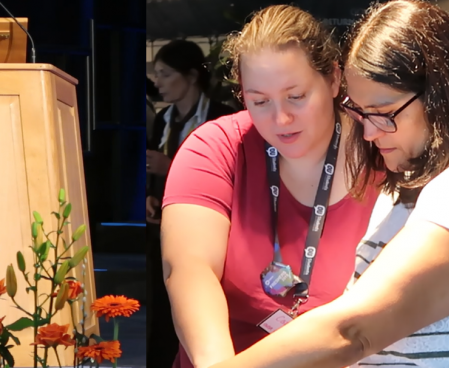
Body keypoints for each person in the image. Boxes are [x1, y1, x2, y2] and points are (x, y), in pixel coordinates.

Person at [202, 1, 449, 367]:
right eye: (361, 113)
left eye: (384, 115)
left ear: (441, 94)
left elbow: (351, 331)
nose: (368, 132)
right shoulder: (399, 192)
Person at [160, 5, 380, 368]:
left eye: (296, 96)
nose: (280, 119)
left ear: (334, 80)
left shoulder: (380, 153)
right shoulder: (217, 147)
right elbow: (189, 267)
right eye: (259, 101)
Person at [146, 39, 237, 368]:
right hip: (161, 230)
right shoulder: (162, 119)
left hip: (209, 230)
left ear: (190, 76)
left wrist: (167, 166)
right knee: (161, 306)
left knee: (197, 303)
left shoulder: (223, 118)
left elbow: (227, 177)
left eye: (165, 74)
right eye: (156, 74)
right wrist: (151, 195)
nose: (157, 82)